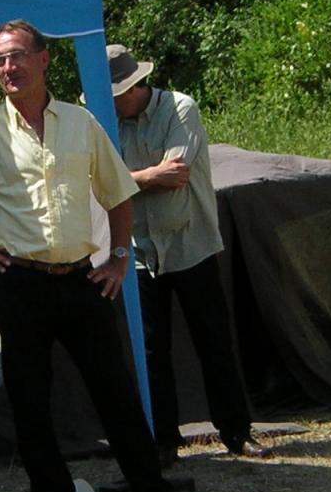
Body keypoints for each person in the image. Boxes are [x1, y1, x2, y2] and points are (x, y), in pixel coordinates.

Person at [0, 20, 212, 492]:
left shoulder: (81, 124)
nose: (8, 69)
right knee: (31, 403)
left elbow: (119, 192)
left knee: (117, 392)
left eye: (16, 57)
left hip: (82, 280)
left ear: (43, 59)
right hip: (19, 285)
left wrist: (119, 258)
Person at [108, 44, 266, 465]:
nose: (110, 105)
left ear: (133, 87)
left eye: (115, 96)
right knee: (150, 351)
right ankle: (163, 441)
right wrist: (142, 177)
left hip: (190, 244)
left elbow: (175, 172)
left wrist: (126, 180)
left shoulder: (179, 108)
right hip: (141, 250)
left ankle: (236, 431)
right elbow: (99, 181)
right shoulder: (106, 124)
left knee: (213, 341)